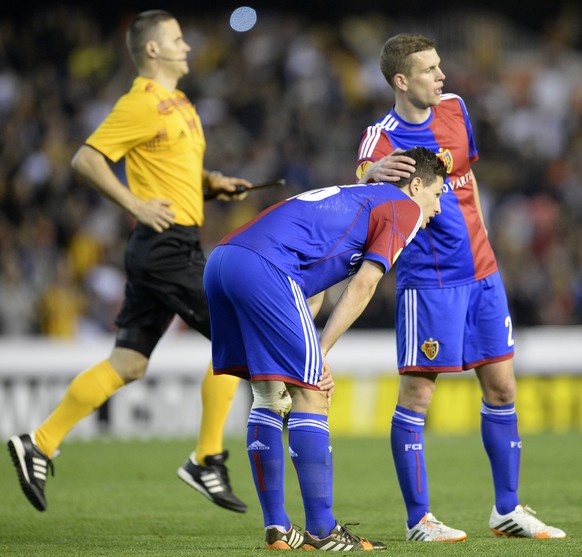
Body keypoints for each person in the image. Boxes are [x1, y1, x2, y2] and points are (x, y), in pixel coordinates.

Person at [7, 9, 251, 514]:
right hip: (165, 246)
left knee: (130, 363)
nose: (188, 46)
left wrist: (210, 182)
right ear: (153, 50)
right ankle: (207, 457)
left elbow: (172, 164)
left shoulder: (179, 102)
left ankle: (40, 442)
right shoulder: (140, 103)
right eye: (178, 39)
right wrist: (135, 204)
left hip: (165, 245)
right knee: (239, 336)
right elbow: (86, 159)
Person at [356, 33, 566, 542]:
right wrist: (370, 175)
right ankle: (418, 520)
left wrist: (487, 246)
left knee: (502, 387)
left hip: (483, 274)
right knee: (418, 395)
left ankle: (507, 510)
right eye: (429, 69)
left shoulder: (455, 109)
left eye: (440, 66)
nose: (442, 75)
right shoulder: (380, 138)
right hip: (429, 284)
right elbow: (358, 181)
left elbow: (466, 179)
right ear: (402, 81)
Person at [204, 146, 446, 550]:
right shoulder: (404, 208)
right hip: (266, 268)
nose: (437, 209)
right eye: (437, 195)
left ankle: (278, 528)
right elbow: (364, 285)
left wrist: (312, 352)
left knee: (270, 395)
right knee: (312, 394)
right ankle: (324, 529)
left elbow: (310, 285)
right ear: (416, 185)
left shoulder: (360, 196)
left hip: (224, 261)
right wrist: (320, 353)